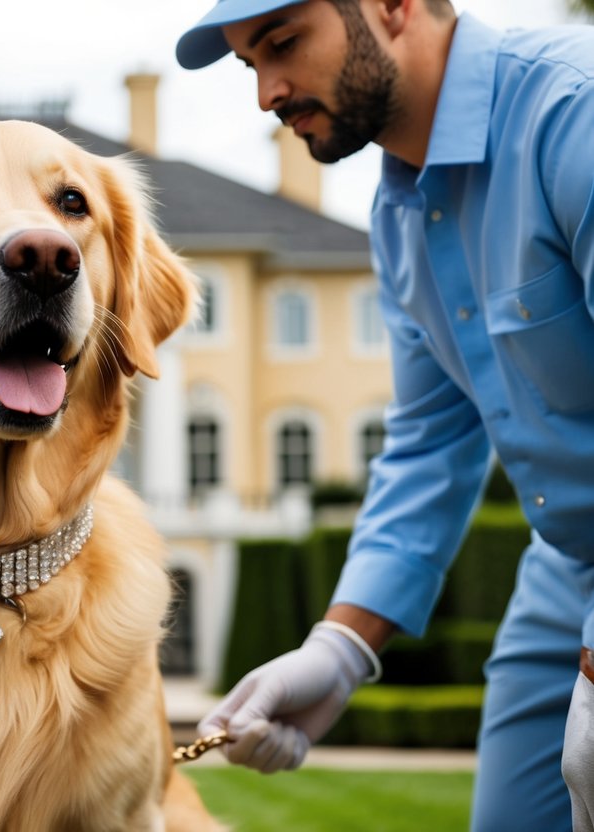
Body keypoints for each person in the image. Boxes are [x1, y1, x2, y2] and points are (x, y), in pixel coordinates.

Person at [175, 0, 594, 829]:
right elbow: (429, 444)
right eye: (250, 64)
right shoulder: (398, 214)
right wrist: (339, 648)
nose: (265, 92)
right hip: (567, 564)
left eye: (282, 43)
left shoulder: (573, 111)